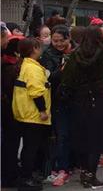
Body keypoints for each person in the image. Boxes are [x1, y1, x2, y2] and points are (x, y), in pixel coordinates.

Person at [60, 26, 103, 188]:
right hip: (100, 99)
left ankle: (84, 172)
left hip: (79, 100)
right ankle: (91, 174)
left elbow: (67, 79)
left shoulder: (75, 55)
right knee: (96, 138)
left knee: (83, 136)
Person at [12, 38, 49, 191]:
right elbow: (36, 92)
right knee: (30, 148)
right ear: (34, 48)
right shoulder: (32, 68)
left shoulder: (26, 65)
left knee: (29, 147)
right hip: (33, 114)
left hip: (24, 113)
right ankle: (26, 178)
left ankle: (27, 176)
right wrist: (42, 111)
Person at [39, 25, 74, 187]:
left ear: (69, 39)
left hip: (75, 99)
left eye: (62, 40)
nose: (59, 44)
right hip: (57, 100)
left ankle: (70, 165)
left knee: (71, 134)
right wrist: (62, 69)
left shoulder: (75, 51)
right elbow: (49, 78)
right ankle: (61, 168)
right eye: (55, 41)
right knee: (61, 135)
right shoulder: (47, 54)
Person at [1, 32, 24, 188]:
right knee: (10, 144)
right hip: (10, 112)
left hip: (8, 111)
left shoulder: (6, 65)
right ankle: (9, 175)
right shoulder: (12, 69)